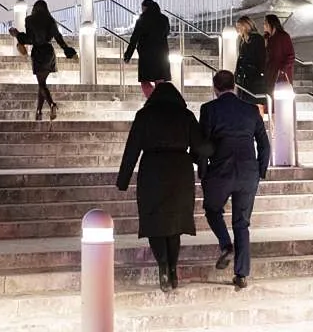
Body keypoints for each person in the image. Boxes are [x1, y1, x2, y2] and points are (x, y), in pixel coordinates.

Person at [116, 81, 211, 293]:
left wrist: (123, 180)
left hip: (152, 171)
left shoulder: (144, 115)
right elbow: (202, 147)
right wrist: (206, 156)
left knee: (155, 221)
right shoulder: (185, 115)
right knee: (174, 223)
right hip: (180, 172)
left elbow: (132, 148)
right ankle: (173, 268)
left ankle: (163, 267)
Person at [198, 69, 271, 291]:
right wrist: (260, 171)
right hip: (248, 173)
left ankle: (225, 244)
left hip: (220, 171)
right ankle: (241, 274)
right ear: (234, 86)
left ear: (215, 88)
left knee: (212, 210)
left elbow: (203, 144)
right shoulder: (251, 110)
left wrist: (203, 172)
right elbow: (264, 145)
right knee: (242, 223)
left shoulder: (209, 109)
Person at [9, 0, 76, 120]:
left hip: (38, 54)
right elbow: (58, 37)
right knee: (42, 83)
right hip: (49, 53)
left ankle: (52, 104)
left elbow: (29, 39)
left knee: (41, 84)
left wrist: (17, 34)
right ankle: (38, 112)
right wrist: (67, 50)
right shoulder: (50, 20)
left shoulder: (30, 20)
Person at [123, 0, 172, 99]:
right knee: (160, 80)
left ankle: (152, 100)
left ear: (145, 8)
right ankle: (160, 100)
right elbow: (167, 32)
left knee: (145, 81)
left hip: (146, 55)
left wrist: (128, 55)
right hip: (162, 54)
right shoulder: (164, 18)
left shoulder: (143, 19)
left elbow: (134, 38)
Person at [234, 15, 267, 113]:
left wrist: (256, 70)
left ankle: (258, 121)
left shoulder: (257, 39)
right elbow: (241, 58)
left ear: (245, 26)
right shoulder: (242, 40)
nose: (237, 29)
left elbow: (260, 58)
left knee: (256, 101)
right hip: (244, 77)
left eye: (239, 27)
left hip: (254, 77)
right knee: (245, 102)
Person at [263, 13, 296, 95]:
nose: (264, 25)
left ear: (271, 24)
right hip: (269, 74)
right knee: (270, 95)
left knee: (280, 96)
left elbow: (291, 55)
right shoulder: (267, 38)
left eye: (265, 23)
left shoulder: (283, 36)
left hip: (280, 74)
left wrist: (282, 70)